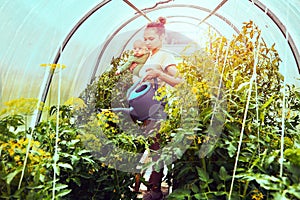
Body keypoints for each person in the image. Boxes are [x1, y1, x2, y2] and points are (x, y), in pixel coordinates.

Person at [138, 16, 182, 200]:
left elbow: (180, 81)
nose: (147, 42)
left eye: (151, 39)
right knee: (142, 148)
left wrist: (159, 74)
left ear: (161, 39)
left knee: (156, 149)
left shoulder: (165, 56)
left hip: (156, 107)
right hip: (143, 106)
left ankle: (155, 191)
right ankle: (143, 186)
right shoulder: (150, 56)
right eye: (145, 39)